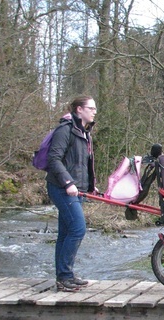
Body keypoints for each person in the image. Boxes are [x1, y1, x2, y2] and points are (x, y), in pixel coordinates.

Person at [46, 95, 98, 292]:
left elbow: (82, 165)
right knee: (78, 229)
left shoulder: (84, 133)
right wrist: (68, 182)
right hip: (61, 188)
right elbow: (54, 159)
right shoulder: (65, 129)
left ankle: (64, 276)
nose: (94, 112)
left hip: (78, 191)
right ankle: (65, 276)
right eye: (91, 108)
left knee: (66, 232)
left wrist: (90, 186)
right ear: (79, 109)